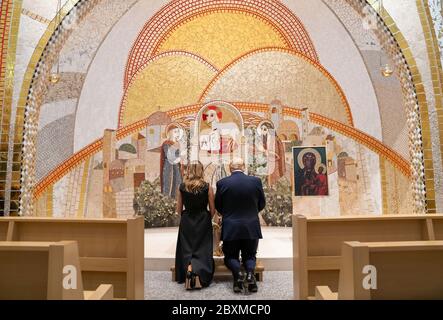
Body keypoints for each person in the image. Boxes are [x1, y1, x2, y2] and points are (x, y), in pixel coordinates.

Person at [215, 158, 266, 293]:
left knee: (230, 256)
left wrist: (228, 215)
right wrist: (251, 214)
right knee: (250, 255)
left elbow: (218, 206)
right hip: (251, 225)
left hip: (231, 226)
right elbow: (262, 203)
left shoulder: (222, 183)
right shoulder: (256, 181)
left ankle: (238, 275)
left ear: (230, 168)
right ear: (243, 167)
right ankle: (250, 275)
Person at [175, 161, 215, 289]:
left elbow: (178, 209)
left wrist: (186, 217)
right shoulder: (207, 187)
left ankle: (188, 269)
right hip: (203, 219)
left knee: (187, 248)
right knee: (202, 248)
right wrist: (208, 216)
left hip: (187, 220)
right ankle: (200, 273)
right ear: (201, 170)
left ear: (189, 170)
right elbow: (213, 209)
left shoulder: (182, 187)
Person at [160, 125, 183, 198]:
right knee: (168, 184)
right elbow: (169, 156)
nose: (177, 134)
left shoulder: (178, 144)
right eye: (175, 132)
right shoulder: (166, 143)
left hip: (176, 167)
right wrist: (180, 157)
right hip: (169, 167)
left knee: (177, 183)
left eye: (178, 132)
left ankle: (177, 202)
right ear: (170, 133)